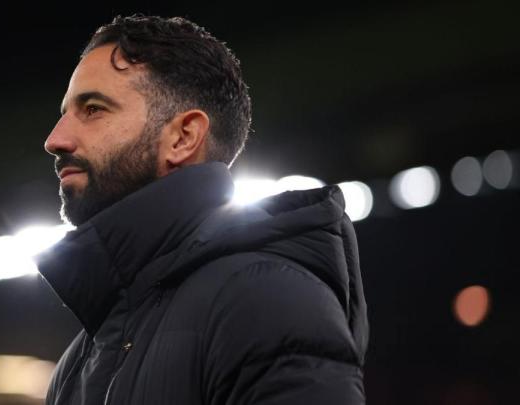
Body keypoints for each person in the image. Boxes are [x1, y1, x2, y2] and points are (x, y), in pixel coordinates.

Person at [37, 14, 368, 405]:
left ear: (183, 137)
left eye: (93, 109)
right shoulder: (76, 363)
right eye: (64, 113)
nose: (55, 140)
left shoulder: (265, 298)